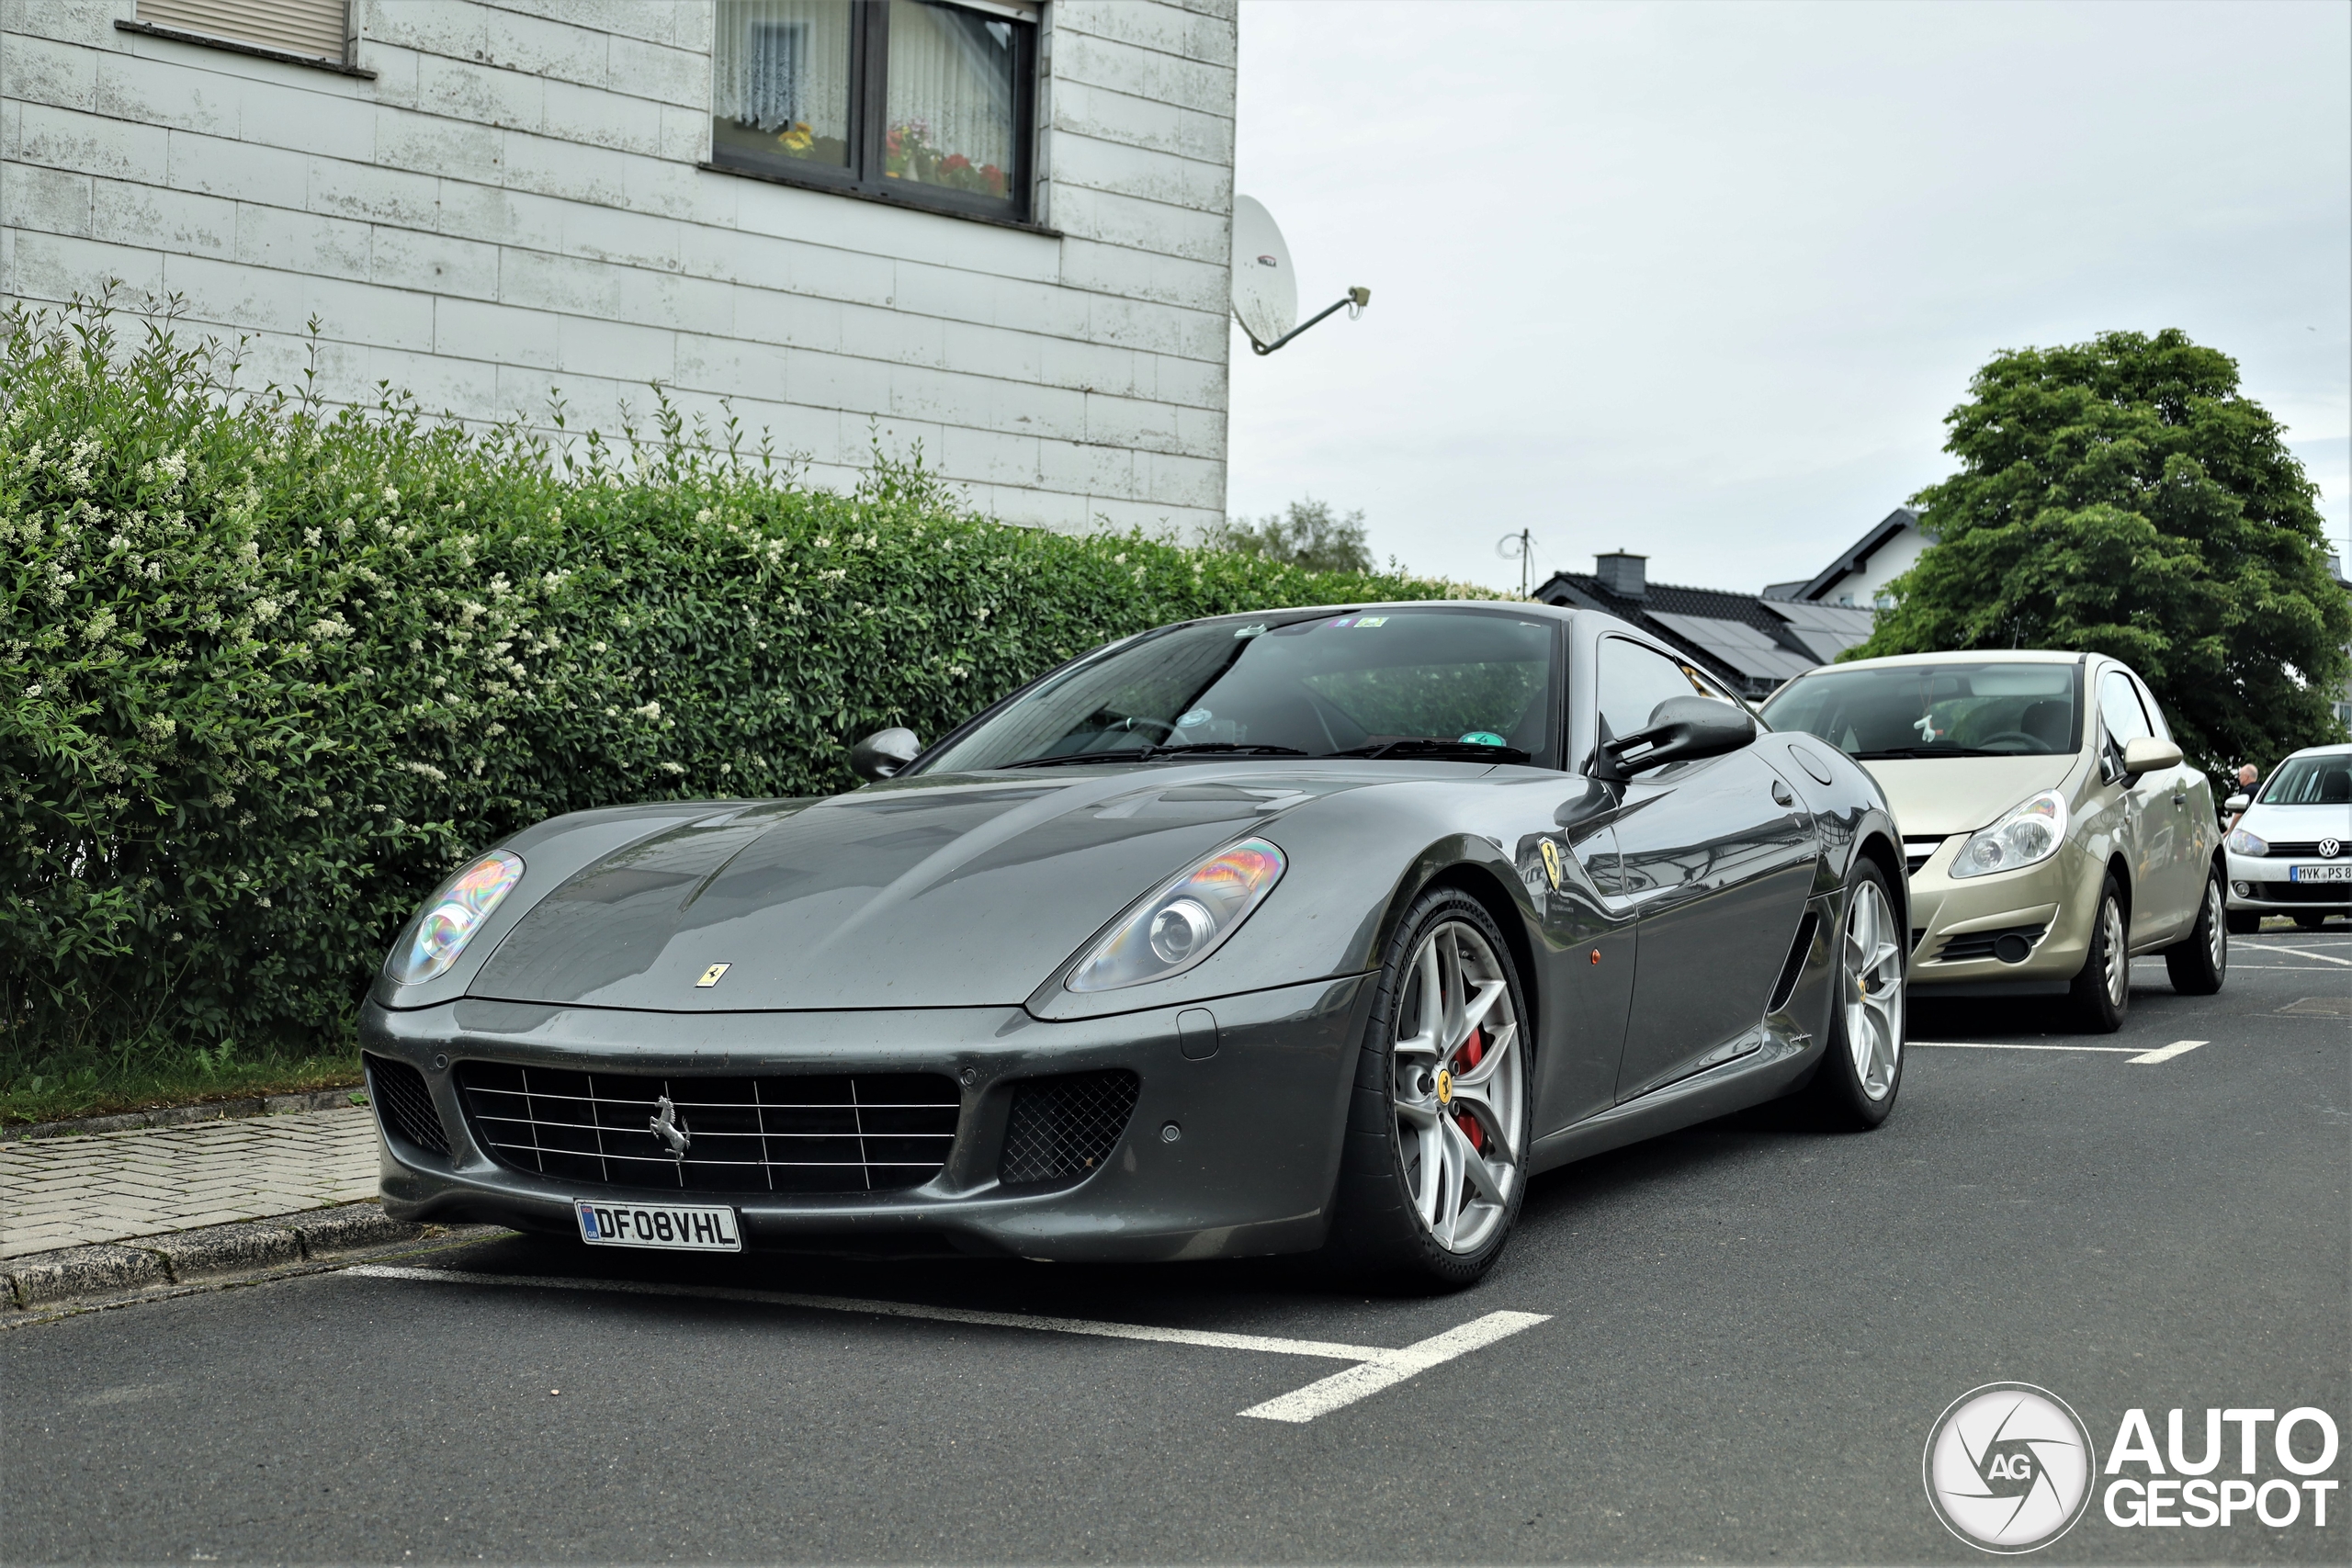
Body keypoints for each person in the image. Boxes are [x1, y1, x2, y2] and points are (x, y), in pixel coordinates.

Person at [2225, 762, 2258, 829]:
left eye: (2240, 775)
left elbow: (2239, 814)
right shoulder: (2261, 789)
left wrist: (2229, 830)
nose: (2239, 778)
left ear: (2246, 777)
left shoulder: (2247, 791)